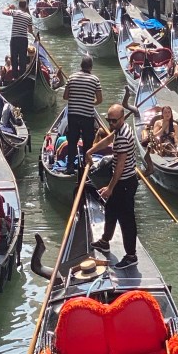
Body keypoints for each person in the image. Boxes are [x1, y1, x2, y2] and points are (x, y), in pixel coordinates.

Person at [86, 105, 140, 269]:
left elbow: (120, 167)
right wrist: (90, 150)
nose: (111, 123)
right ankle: (105, 241)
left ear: (122, 118)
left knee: (126, 220)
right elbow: (109, 139)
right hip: (122, 181)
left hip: (125, 182)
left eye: (114, 121)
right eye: (109, 120)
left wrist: (110, 188)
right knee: (110, 210)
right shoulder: (121, 128)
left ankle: (131, 256)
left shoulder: (123, 136)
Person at [62, 55, 103, 175]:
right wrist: (90, 102)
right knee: (88, 142)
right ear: (91, 67)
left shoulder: (71, 77)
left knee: (72, 141)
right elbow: (99, 100)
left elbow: (65, 97)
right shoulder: (95, 80)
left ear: (81, 65)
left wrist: (76, 98)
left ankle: (69, 167)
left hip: (73, 114)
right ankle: (86, 167)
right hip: (87, 116)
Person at [2, 0, 34, 76]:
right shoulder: (28, 16)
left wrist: (9, 6)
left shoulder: (15, 12)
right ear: (26, 6)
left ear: (19, 5)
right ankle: (22, 75)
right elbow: (30, 30)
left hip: (15, 38)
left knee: (14, 57)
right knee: (22, 58)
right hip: (23, 39)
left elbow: (3, 12)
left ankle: (15, 76)